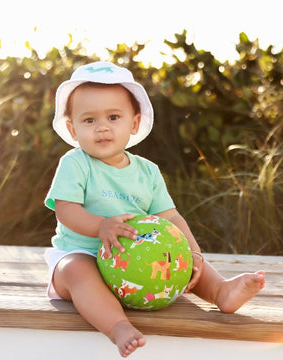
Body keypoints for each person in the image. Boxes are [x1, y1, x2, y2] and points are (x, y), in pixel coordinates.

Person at [44, 61, 266, 357]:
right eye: (89, 121)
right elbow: (66, 210)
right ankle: (117, 326)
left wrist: (193, 252)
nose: (102, 127)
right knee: (76, 272)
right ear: (72, 129)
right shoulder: (75, 163)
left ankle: (220, 291)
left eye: (113, 117)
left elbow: (171, 217)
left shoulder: (147, 171)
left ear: (133, 124)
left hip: (137, 257)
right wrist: (101, 227)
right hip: (83, 253)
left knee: (180, 255)